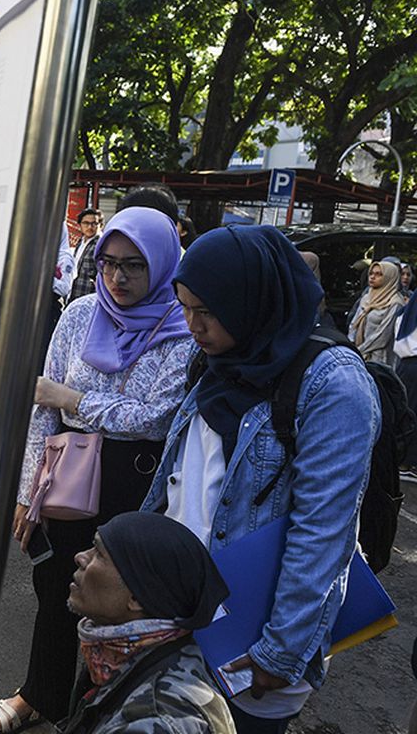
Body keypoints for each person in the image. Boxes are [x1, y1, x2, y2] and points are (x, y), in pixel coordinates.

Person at [147, 224, 381, 733]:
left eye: (206, 310)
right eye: (184, 306)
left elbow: (323, 531)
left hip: (251, 639)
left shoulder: (334, 384)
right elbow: (184, 480)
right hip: (180, 616)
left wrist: (281, 650)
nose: (191, 324)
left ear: (251, 300)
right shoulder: (219, 358)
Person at [0, 207, 195, 732]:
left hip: (138, 485)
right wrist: (26, 491)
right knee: (56, 590)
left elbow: (156, 419)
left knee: (122, 606)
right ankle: (39, 694)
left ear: (163, 265)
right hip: (69, 475)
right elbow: (43, 406)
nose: (117, 279)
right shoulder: (80, 313)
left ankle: (97, 710)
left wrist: (72, 397)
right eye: (107, 263)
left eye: (134, 266)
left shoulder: (182, 324)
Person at [48, 512, 235, 734]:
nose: (80, 557)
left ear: (137, 597)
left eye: (99, 553)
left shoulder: (153, 719)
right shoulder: (134, 655)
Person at [350, 260, 405, 365]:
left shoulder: (395, 303)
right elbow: (354, 323)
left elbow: (383, 335)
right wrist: (351, 345)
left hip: (379, 358)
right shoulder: (367, 297)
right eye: (371, 273)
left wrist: (360, 350)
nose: (372, 277)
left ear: (389, 277)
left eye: (378, 274)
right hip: (359, 355)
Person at [69, 208, 103, 302]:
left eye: (94, 223)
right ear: (79, 225)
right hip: (74, 293)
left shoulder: (101, 244)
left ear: (101, 225)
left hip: (89, 297)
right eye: (86, 223)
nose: (90, 227)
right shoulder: (81, 241)